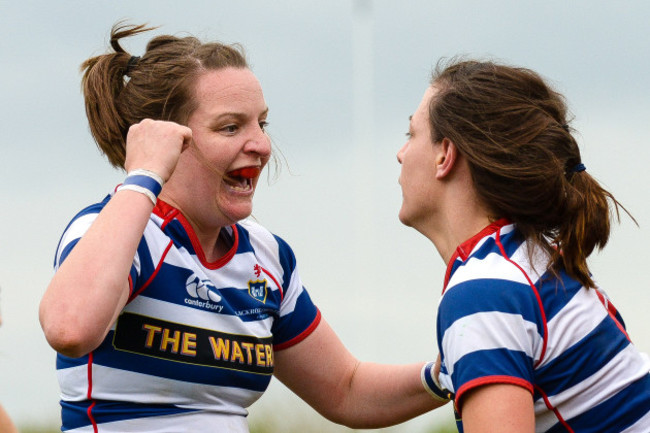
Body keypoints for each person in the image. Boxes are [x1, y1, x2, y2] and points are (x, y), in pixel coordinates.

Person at [39, 23, 448, 432]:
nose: (262, 145)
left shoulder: (267, 256)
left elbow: (347, 389)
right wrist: (144, 173)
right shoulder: (115, 229)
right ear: (165, 140)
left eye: (262, 125)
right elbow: (69, 328)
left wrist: (447, 372)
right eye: (230, 127)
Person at [396, 58, 650, 432]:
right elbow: (345, 391)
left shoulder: (484, 293)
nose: (400, 154)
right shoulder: (525, 266)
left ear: (444, 155)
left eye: (411, 135)